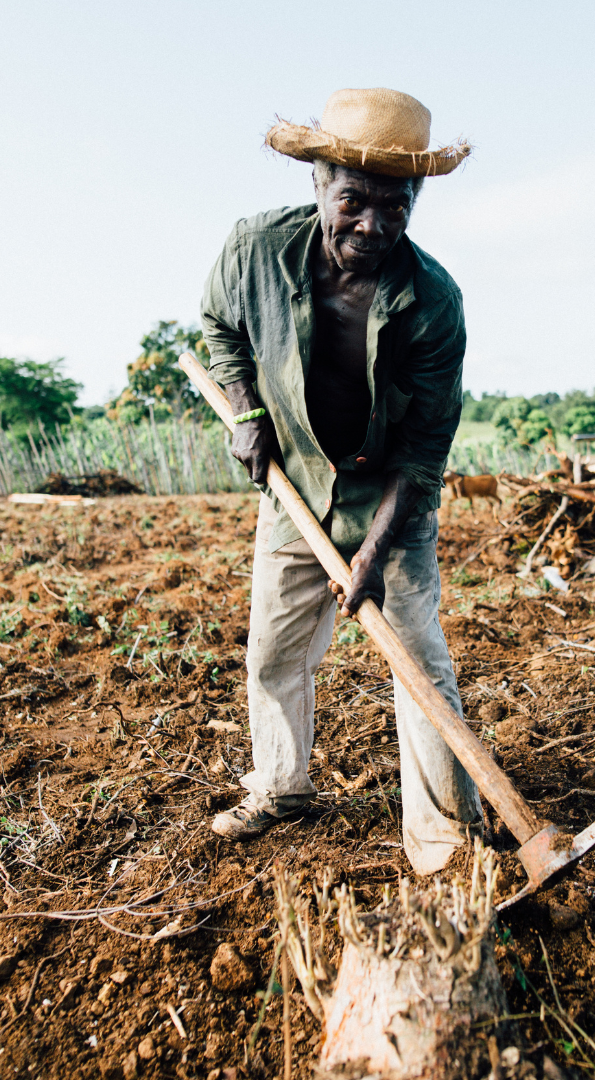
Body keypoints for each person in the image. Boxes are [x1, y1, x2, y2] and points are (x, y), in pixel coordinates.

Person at [200, 88, 479, 874]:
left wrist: (373, 554)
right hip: (296, 481)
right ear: (318, 185)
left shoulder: (433, 304)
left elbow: (424, 453)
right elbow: (218, 325)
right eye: (354, 200)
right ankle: (281, 787)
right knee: (275, 648)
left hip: (390, 493)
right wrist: (246, 410)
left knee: (418, 660)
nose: (374, 225)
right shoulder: (252, 250)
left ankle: (443, 839)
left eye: (397, 206)